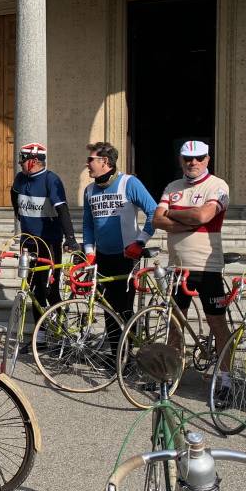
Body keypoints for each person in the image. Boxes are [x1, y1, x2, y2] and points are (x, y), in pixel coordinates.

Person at [152, 141, 233, 402]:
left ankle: (226, 380)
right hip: (177, 267)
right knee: (175, 323)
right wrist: (186, 217)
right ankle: (172, 375)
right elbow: (156, 219)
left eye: (198, 158)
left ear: (207, 159)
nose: (193, 163)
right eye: (187, 158)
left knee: (217, 324)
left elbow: (203, 217)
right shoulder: (173, 187)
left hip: (206, 266)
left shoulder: (217, 185)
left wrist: (173, 215)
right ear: (181, 160)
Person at [82, 141, 158, 349]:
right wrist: (89, 252)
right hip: (102, 256)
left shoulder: (129, 183)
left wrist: (140, 241)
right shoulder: (89, 190)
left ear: (104, 161)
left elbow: (154, 212)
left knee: (124, 307)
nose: (87, 164)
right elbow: (88, 224)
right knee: (108, 307)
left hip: (126, 255)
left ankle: (127, 353)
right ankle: (115, 351)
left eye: (90, 160)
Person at [10, 142, 78, 318]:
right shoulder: (20, 178)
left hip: (49, 243)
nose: (20, 163)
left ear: (33, 161)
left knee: (50, 290)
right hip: (28, 243)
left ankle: (60, 330)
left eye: (22, 160)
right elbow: (14, 192)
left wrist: (70, 238)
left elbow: (63, 209)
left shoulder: (51, 179)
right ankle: (39, 339)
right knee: (34, 291)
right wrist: (17, 212)